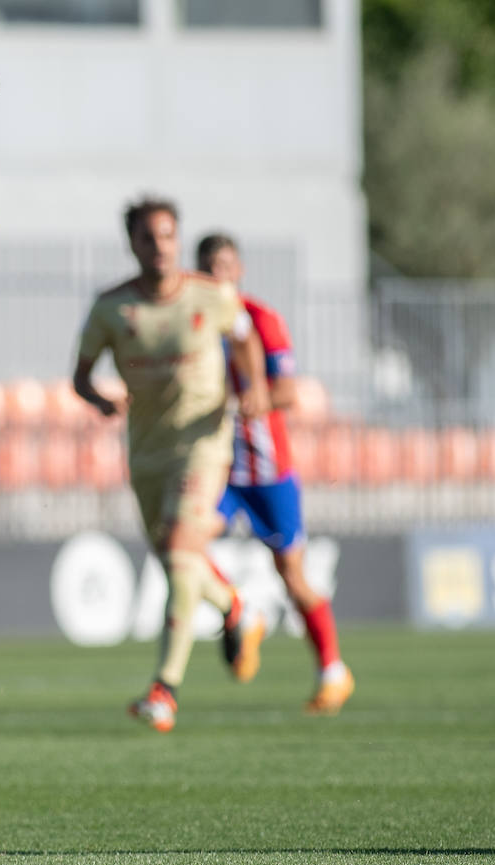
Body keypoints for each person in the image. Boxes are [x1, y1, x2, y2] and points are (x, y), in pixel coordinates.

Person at [73, 198, 270, 734]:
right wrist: (101, 398)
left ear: (176, 240)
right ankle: (235, 608)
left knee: (183, 551)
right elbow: (81, 375)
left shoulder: (211, 295)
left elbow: (246, 339)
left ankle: (165, 688)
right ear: (132, 244)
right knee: (176, 563)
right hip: (147, 452)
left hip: (204, 444)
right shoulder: (111, 308)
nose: (159, 247)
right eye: (148, 238)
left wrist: (250, 389)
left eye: (167, 236)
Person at [197, 232, 354, 715]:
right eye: (209, 268)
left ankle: (333, 672)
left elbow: (289, 391)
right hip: (219, 468)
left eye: (225, 266)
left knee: (293, 577)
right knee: (185, 542)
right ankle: (237, 612)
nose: (218, 275)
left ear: (238, 270)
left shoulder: (261, 321)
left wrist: (260, 396)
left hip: (267, 472)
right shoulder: (197, 322)